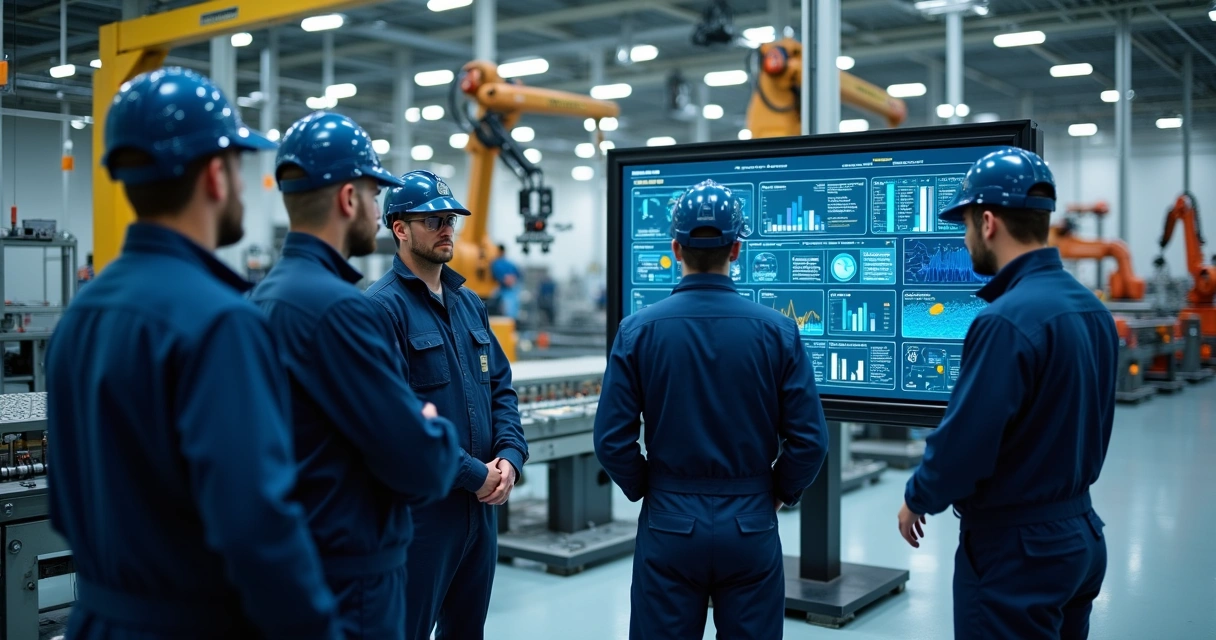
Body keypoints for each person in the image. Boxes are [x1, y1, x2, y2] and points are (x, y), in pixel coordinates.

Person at [45, 67, 341, 638]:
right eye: (235, 164)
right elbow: (258, 530)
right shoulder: (222, 321)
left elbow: (64, 502)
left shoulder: (80, 316)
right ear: (214, 176)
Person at [249, 112, 464, 639]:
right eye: (373, 195)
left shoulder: (261, 299)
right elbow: (418, 460)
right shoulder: (340, 309)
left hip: (301, 553)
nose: (374, 210)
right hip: (352, 575)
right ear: (349, 199)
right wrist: (428, 427)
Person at [593, 179, 829, 640]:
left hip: (669, 520)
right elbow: (810, 441)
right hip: (751, 521)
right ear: (737, 249)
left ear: (675, 249)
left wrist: (649, 487)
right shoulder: (778, 332)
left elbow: (611, 440)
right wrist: (777, 492)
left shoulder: (638, 331)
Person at [897, 147, 1118, 639]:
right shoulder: (1091, 309)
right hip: (1080, 535)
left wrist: (918, 497)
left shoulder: (1004, 320)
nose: (966, 236)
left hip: (1017, 550)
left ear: (989, 221)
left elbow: (967, 442)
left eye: (966, 224)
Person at [364, 170, 529, 640]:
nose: (447, 229)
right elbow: (398, 423)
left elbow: (502, 389)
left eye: (450, 218)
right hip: (424, 515)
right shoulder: (380, 310)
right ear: (400, 228)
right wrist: (476, 476)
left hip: (482, 510)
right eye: (433, 219)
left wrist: (510, 459)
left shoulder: (469, 303)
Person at [490, 243, 522, 319]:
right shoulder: (506, 263)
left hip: (505, 288)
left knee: (509, 307)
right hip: (501, 288)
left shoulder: (497, 263)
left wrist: (509, 279)